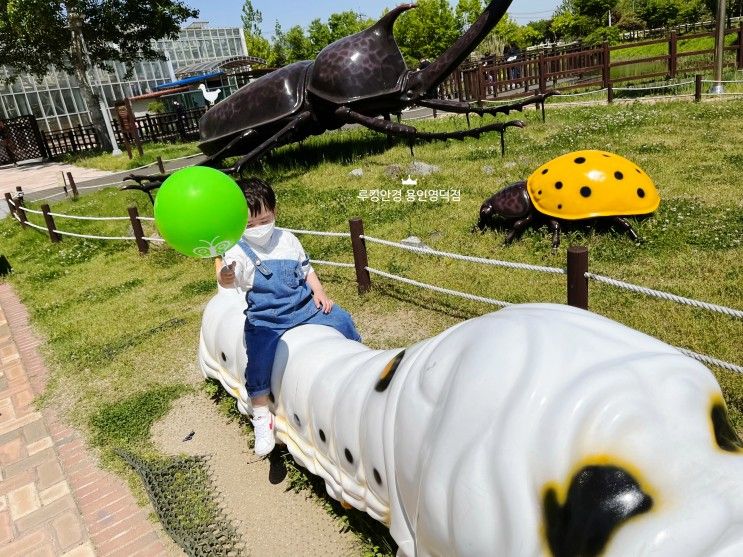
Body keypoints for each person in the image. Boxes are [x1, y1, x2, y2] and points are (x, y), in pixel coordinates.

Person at [216, 177, 362, 457]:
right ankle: (261, 415)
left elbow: (306, 269)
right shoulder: (236, 249)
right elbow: (229, 282)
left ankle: (360, 358)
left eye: (264, 220)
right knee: (257, 359)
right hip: (267, 318)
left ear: (275, 213)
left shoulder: (287, 239)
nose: (258, 229)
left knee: (341, 319)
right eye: (249, 225)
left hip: (302, 306)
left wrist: (319, 292)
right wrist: (226, 275)